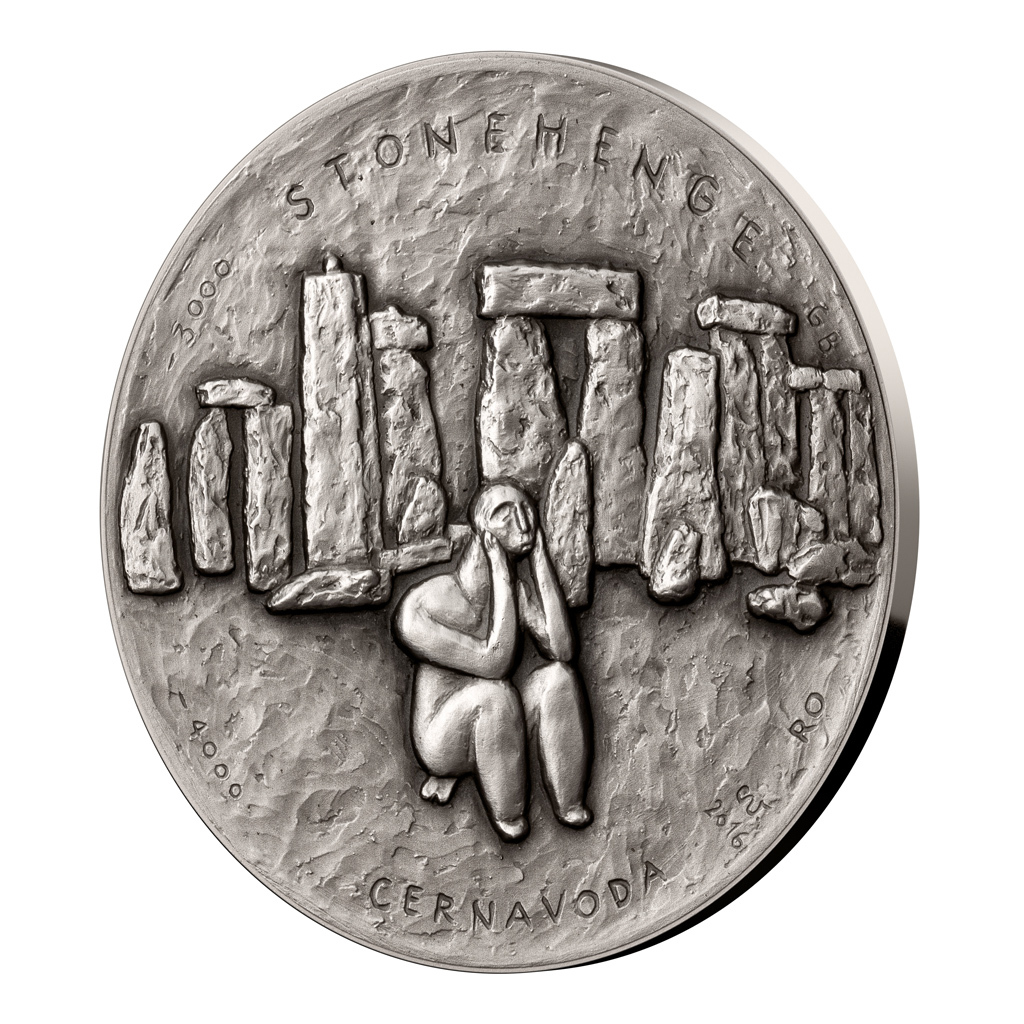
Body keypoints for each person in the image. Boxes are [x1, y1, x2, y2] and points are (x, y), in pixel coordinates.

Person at [392, 482, 592, 842]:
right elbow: (494, 663)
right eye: (505, 514)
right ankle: (509, 814)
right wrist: (500, 572)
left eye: (526, 512)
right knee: (494, 695)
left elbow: (563, 650)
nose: (523, 524)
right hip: (442, 737)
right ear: (481, 530)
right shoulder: (421, 606)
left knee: (558, 678)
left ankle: (569, 801)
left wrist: (540, 560)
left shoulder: (517, 593)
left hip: (503, 726)